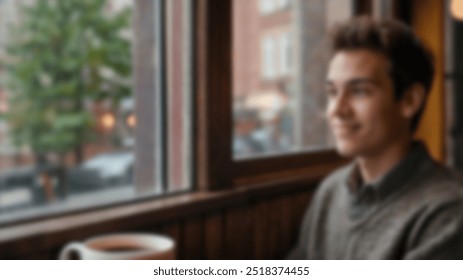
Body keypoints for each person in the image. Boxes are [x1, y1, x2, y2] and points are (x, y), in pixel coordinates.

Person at [288, 17, 463, 259]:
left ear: (410, 101)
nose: (337, 110)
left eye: (359, 91)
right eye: (332, 92)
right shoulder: (331, 191)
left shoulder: (449, 210)